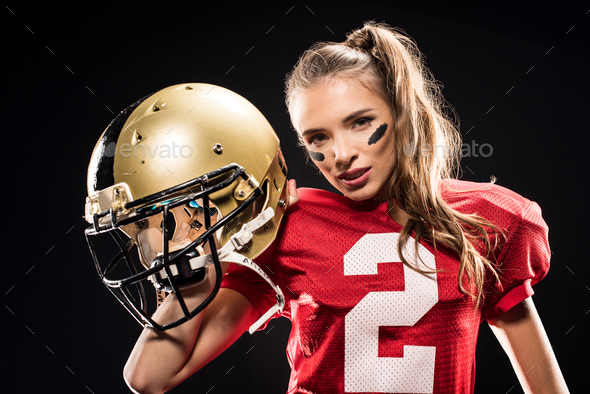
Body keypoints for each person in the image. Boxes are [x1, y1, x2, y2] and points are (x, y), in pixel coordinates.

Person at [118, 22, 569, 393]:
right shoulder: (286, 224)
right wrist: (198, 278)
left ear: (400, 113)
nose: (341, 154)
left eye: (360, 123)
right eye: (317, 138)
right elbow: (148, 377)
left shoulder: (486, 217)